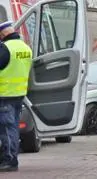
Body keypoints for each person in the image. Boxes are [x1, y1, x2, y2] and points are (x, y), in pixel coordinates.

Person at [0, 21, 33, 172]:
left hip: (4, 94)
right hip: (18, 94)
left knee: (7, 129)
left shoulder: (5, 48)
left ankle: (10, 161)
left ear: (3, 34)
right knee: (12, 127)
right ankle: (10, 158)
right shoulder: (25, 48)